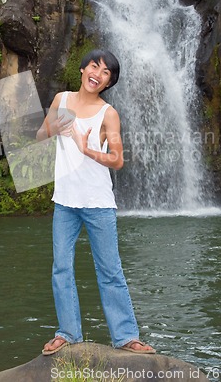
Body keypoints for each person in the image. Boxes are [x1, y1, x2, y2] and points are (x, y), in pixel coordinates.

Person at [36, 49, 155, 355]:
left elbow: (117, 160)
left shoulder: (108, 113)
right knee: (61, 268)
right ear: (82, 69)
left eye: (106, 73)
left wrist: (87, 150)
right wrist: (56, 126)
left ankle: (127, 337)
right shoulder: (61, 100)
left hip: (98, 203)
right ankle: (67, 333)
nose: (98, 74)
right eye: (94, 66)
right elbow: (40, 135)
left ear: (108, 82)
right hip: (64, 201)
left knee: (110, 271)